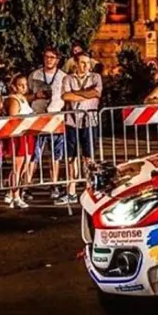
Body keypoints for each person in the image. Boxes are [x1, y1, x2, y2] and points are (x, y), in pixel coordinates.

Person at [61, 53, 102, 205]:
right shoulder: (68, 79)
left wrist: (76, 94)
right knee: (71, 156)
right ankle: (71, 190)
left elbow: (96, 93)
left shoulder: (95, 77)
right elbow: (65, 96)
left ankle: (89, 187)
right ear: (76, 64)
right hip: (72, 121)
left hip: (90, 121)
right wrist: (85, 95)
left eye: (87, 63)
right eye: (82, 63)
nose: (85, 66)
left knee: (88, 155)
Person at [28, 46, 67, 199]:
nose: (49, 59)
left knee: (55, 156)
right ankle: (27, 186)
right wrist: (35, 96)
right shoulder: (35, 75)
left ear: (57, 59)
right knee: (34, 155)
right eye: (46, 56)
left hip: (56, 119)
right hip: (38, 118)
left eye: (52, 57)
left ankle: (54, 184)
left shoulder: (63, 77)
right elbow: (26, 95)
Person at [3, 74, 35, 209]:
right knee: (17, 167)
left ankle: (13, 193)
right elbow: (13, 119)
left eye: (25, 85)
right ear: (14, 86)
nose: (23, 87)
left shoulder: (23, 98)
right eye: (20, 85)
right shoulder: (13, 100)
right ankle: (15, 195)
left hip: (28, 135)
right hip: (19, 136)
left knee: (24, 167)